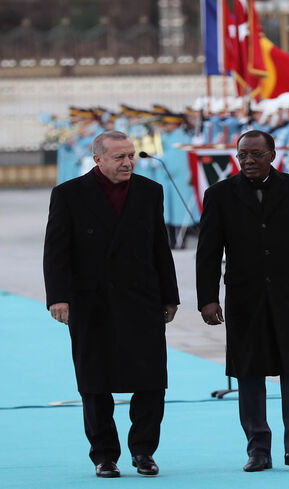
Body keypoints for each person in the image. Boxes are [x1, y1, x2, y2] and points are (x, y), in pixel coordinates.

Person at [43, 130, 180, 478]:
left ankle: (144, 451)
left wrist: (169, 295)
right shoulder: (69, 195)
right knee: (95, 381)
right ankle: (104, 455)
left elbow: (159, 248)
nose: (128, 162)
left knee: (151, 380)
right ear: (98, 160)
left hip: (141, 299)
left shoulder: (150, 192)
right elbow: (56, 251)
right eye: (119, 157)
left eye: (131, 155)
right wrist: (58, 297)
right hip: (91, 301)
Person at [195, 129, 289, 472]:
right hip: (245, 297)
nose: (249, 161)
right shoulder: (220, 194)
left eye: (256, 154)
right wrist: (207, 299)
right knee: (250, 374)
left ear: (272, 154)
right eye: (242, 156)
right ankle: (258, 449)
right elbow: (207, 253)